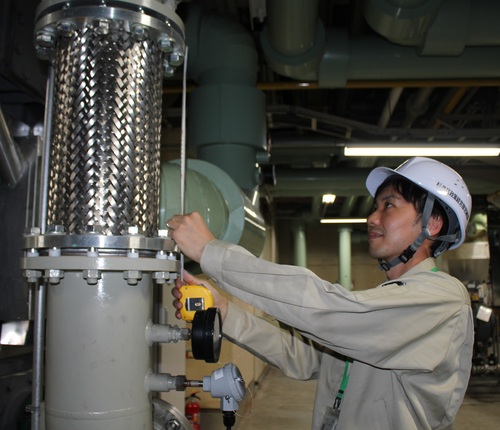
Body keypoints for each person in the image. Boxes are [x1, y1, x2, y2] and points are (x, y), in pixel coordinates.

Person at [168, 157, 474, 430]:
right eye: (376, 206)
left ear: (433, 223)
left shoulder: (444, 300)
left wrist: (211, 252)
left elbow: (325, 308)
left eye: (389, 205)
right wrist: (224, 311)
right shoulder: (388, 300)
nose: (372, 217)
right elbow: (303, 357)